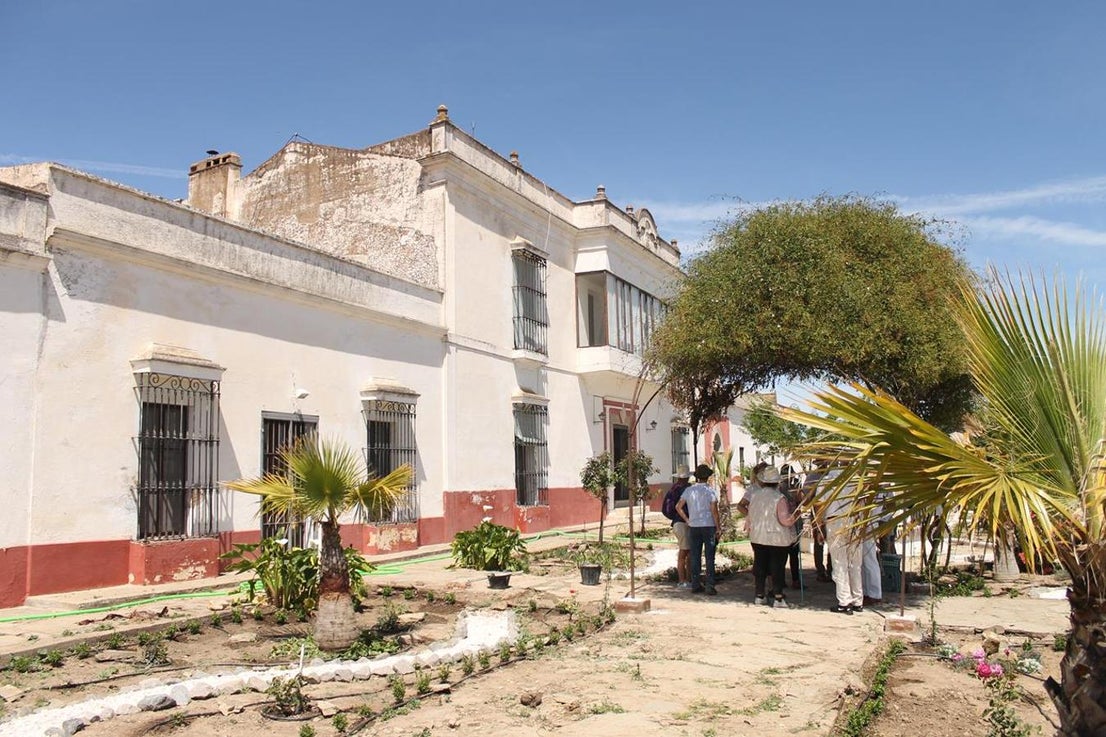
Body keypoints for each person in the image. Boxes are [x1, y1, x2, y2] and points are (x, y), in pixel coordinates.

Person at [737, 466, 801, 608]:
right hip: (776, 538)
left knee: (760, 565)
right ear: (777, 482)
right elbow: (785, 520)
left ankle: (759, 595)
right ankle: (778, 597)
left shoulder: (755, 496)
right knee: (776, 567)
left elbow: (749, 513)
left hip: (758, 536)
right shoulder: (779, 498)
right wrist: (796, 515)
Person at [822, 467, 864, 614]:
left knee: (840, 563)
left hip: (836, 521)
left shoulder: (827, 480)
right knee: (855, 563)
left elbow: (820, 504)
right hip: (855, 521)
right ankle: (858, 600)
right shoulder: (856, 479)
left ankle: (845, 601)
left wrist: (819, 527)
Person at [675, 464, 720, 595]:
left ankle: (695, 584)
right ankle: (710, 584)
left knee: (695, 555)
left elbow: (678, 507)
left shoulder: (689, 490)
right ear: (708, 477)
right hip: (708, 525)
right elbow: (714, 511)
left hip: (694, 526)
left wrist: (688, 520)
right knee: (709, 556)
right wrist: (718, 527)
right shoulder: (710, 491)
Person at [661, 465, 693, 588]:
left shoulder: (672, 490)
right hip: (683, 522)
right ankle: (682, 579)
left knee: (688, 551)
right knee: (684, 551)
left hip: (680, 522)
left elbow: (666, 510)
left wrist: (674, 517)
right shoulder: (687, 490)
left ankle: (688, 579)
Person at [779, 464, 805, 589]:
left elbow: (800, 503)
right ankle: (784, 580)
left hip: (794, 523)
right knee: (784, 554)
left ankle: (794, 580)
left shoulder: (795, 487)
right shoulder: (780, 489)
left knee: (793, 554)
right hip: (785, 523)